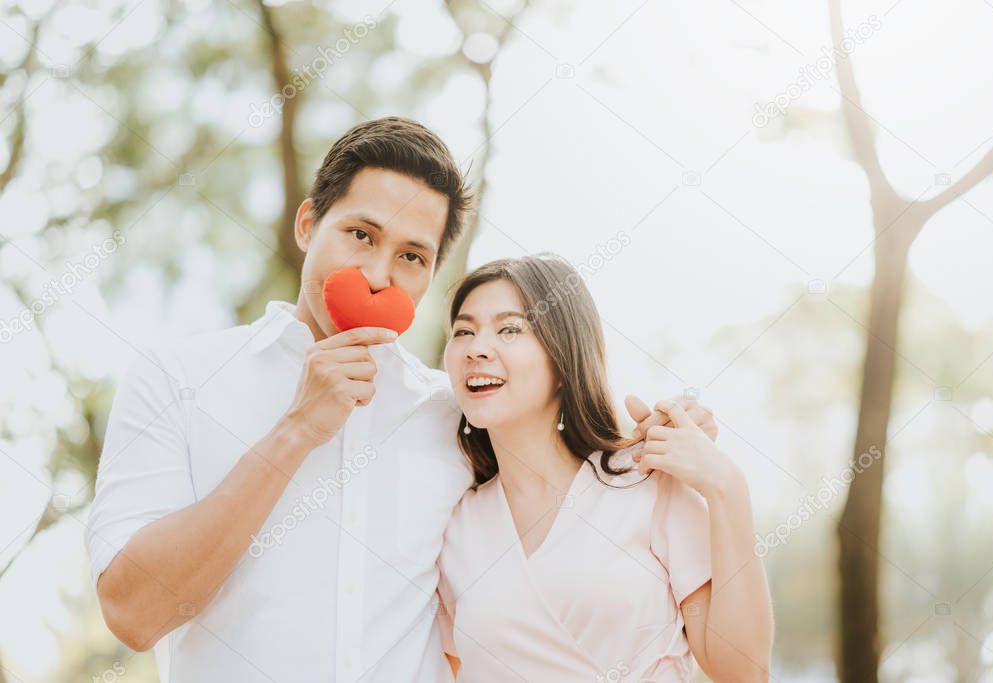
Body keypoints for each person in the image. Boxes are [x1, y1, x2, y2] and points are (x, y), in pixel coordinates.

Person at [85, 117, 701, 682]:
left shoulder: (457, 413)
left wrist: (663, 446)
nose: (380, 275)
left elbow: (571, 488)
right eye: (360, 234)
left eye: (412, 256)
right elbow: (133, 615)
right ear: (307, 225)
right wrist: (296, 430)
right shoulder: (179, 380)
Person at [437, 255, 774, 682]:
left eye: (510, 329)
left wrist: (727, 487)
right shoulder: (456, 527)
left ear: (563, 359)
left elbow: (742, 673)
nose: (476, 348)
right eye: (463, 331)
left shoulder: (646, 484)